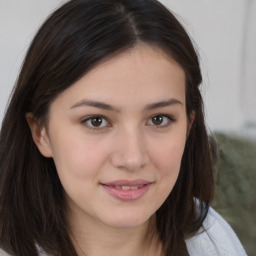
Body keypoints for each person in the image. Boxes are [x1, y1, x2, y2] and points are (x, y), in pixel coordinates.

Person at [0, 0, 247, 255]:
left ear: (188, 125)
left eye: (159, 119)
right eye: (96, 121)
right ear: (40, 132)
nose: (132, 158)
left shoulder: (212, 239)